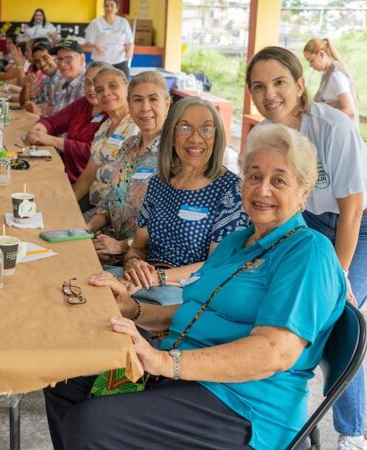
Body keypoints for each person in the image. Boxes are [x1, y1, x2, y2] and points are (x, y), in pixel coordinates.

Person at [44, 123, 346, 450]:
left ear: (304, 192)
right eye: (255, 176)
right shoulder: (237, 242)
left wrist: (164, 362)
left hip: (244, 405)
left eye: (279, 180)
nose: (262, 190)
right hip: (185, 373)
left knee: (91, 425)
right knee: (62, 377)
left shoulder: (307, 251)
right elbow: (197, 309)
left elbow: (275, 352)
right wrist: (134, 309)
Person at [247, 46, 367, 450]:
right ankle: (272, 407)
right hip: (314, 221)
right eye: (259, 86)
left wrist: (339, 277)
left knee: (338, 316)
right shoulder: (265, 136)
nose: (270, 95)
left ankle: (353, 433)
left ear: (300, 85)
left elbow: (351, 212)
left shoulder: (333, 127)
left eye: (280, 82)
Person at [118, 97, 248, 304]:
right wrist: (134, 264)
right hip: (145, 282)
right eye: (185, 128)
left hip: (186, 293)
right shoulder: (159, 182)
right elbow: (139, 246)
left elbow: (217, 265)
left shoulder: (230, 190)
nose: (196, 139)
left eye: (206, 129)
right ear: (171, 134)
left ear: (217, 136)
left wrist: (157, 278)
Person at [86, 71, 173, 265]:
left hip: (144, 258)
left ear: (167, 104)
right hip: (110, 242)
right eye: (137, 100)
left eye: (153, 99)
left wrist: (123, 246)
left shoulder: (173, 154)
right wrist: (87, 227)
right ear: (130, 106)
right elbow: (112, 200)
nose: (145, 108)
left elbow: (171, 224)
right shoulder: (129, 145)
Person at [25, 62, 109, 184]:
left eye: (97, 83)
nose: (91, 88)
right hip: (65, 173)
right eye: (87, 82)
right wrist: (38, 129)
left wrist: (52, 140)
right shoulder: (82, 103)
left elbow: (95, 152)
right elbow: (53, 122)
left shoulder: (112, 113)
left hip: (89, 183)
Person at [72, 67, 139, 212]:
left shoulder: (138, 125)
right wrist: (68, 203)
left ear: (127, 87)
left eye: (113, 86)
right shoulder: (104, 127)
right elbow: (88, 174)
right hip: (93, 200)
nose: (106, 93)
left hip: (114, 211)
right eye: (100, 90)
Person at [304, 38, 359, 127]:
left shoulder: (336, 75)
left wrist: (323, 122)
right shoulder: (328, 74)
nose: (310, 65)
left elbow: (349, 111)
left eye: (311, 60)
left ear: (321, 54)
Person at [84, 0, 134, 78]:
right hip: (99, 62)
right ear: (103, 8)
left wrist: (129, 52)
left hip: (119, 60)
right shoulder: (95, 23)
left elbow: (129, 42)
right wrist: (95, 46)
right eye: (106, 6)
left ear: (117, 8)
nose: (109, 8)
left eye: (111, 5)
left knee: (125, 83)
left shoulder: (123, 22)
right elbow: (87, 44)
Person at [19, 42, 61, 116]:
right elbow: (26, 104)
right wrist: (27, 86)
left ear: (54, 58)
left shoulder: (63, 78)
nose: (42, 64)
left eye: (45, 58)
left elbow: (61, 110)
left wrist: (40, 110)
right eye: (37, 61)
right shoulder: (46, 79)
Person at [49, 40, 87, 113]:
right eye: (59, 59)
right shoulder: (66, 83)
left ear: (82, 59)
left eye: (68, 58)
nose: (62, 64)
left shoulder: (85, 85)